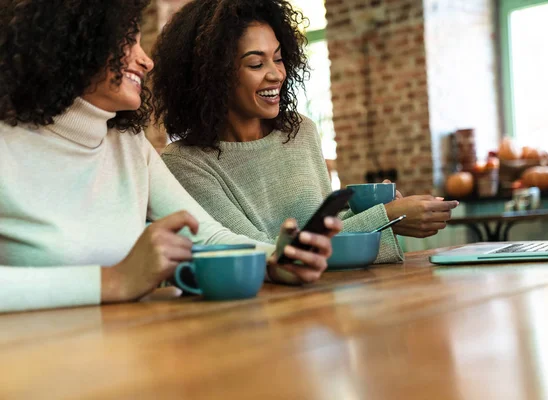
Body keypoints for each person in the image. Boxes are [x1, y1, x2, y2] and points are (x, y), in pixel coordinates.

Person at [0, 0, 341, 313]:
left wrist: (275, 261)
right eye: (126, 41)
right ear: (73, 43)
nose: (145, 60)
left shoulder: (128, 144)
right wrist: (114, 280)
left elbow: (206, 233)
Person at [151, 0, 458, 264]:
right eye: (256, 63)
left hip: (324, 303)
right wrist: (385, 217)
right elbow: (266, 253)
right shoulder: (183, 163)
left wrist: (378, 212)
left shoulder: (300, 132)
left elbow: (324, 229)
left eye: (279, 58)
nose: (276, 74)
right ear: (212, 76)